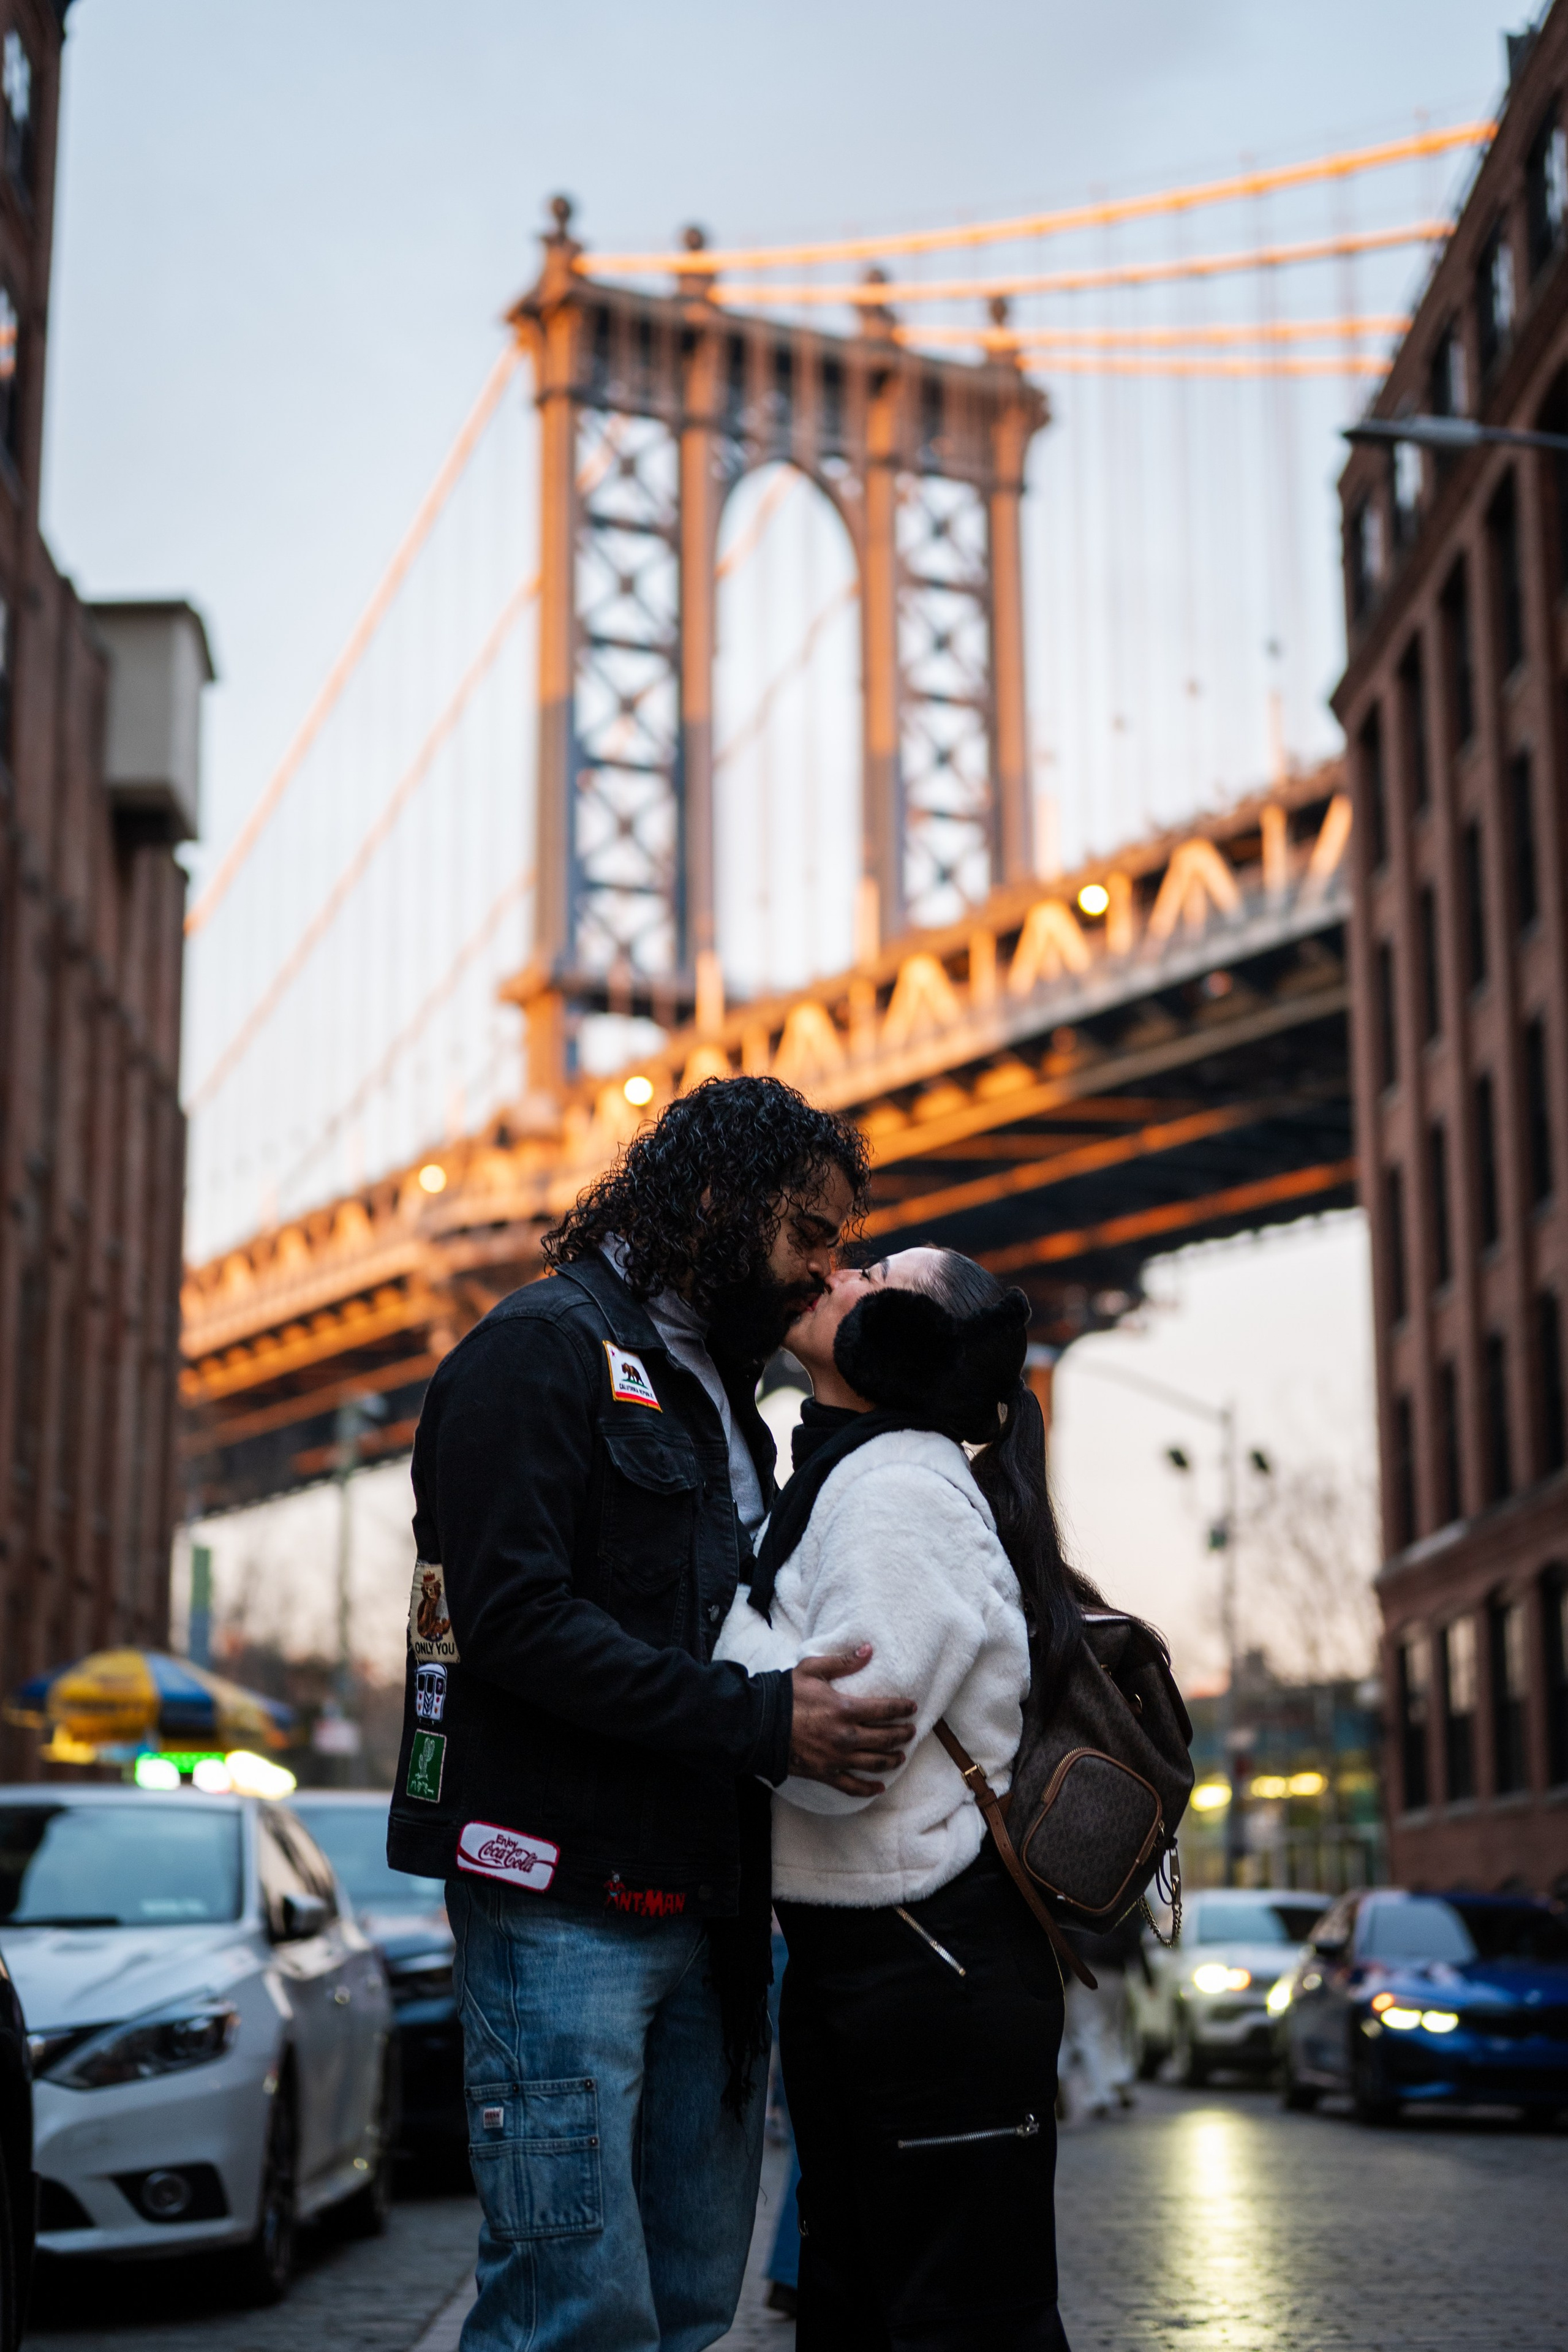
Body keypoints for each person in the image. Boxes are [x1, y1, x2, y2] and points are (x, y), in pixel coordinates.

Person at [386, 1076, 918, 2352]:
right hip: (557, 1906)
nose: (823, 1270)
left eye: (839, 1243)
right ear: (716, 1203)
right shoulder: (535, 1352)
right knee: (574, 2314)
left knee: (690, 2308)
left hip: (713, 1917)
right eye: (808, 1233)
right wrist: (761, 1721)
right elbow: (508, 1625)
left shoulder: (723, 1395)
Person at [717, 1244, 1109, 2352]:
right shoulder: (855, 1479)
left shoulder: (896, 1492)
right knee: (865, 2311)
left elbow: (844, 1753)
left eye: (874, 1273)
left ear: (904, 1343)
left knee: (955, 2324)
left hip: (929, 1964)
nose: (835, 1270)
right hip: (880, 1958)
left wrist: (710, 1610)